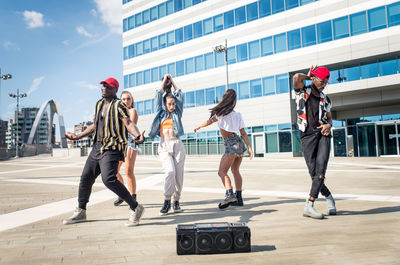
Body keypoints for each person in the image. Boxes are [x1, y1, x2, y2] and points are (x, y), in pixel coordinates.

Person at [63, 77, 145, 226]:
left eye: (107, 86)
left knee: (108, 179)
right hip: (97, 146)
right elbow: (94, 125)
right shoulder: (99, 104)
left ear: (115, 89)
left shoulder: (119, 105)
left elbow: (128, 122)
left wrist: (137, 136)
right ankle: (81, 210)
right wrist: (77, 136)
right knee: (86, 177)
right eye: (103, 86)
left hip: (112, 147)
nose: (103, 88)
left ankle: (135, 207)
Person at [194, 89, 253, 209]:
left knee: (221, 172)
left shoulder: (221, 114)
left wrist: (199, 126)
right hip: (239, 143)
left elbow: (209, 121)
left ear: (225, 99)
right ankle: (239, 198)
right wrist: (250, 147)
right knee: (235, 171)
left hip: (231, 144)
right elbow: (243, 133)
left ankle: (230, 194)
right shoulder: (238, 115)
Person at [293, 65, 336, 219]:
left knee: (320, 170)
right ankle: (329, 197)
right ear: (314, 78)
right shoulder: (302, 91)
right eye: (321, 81)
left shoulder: (326, 98)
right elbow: (296, 77)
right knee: (313, 173)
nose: (323, 84)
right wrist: (309, 75)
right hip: (307, 135)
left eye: (326, 82)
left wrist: (329, 125)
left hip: (323, 134)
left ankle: (309, 205)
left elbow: (329, 116)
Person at [148, 74, 186, 216]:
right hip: (164, 145)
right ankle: (166, 201)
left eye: (173, 104)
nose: (172, 106)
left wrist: (173, 81)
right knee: (169, 172)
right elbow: (158, 94)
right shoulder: (160, 113)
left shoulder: (177, 113)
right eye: (169, 104)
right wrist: (164, 80)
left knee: (179, 176)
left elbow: (180, 94)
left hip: (177, 145)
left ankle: (176, 201)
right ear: (165, 104)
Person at [113, 90, 139, 207]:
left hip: (130, 143)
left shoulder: (131, 111)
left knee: (128, 171)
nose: (126, 101)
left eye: (128, 99)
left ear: (132, 100)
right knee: (113, 171)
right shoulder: (118, 112)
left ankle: (133, 197)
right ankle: (122, 194)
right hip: (119, 143)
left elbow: (129, 125)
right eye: (123, 99)